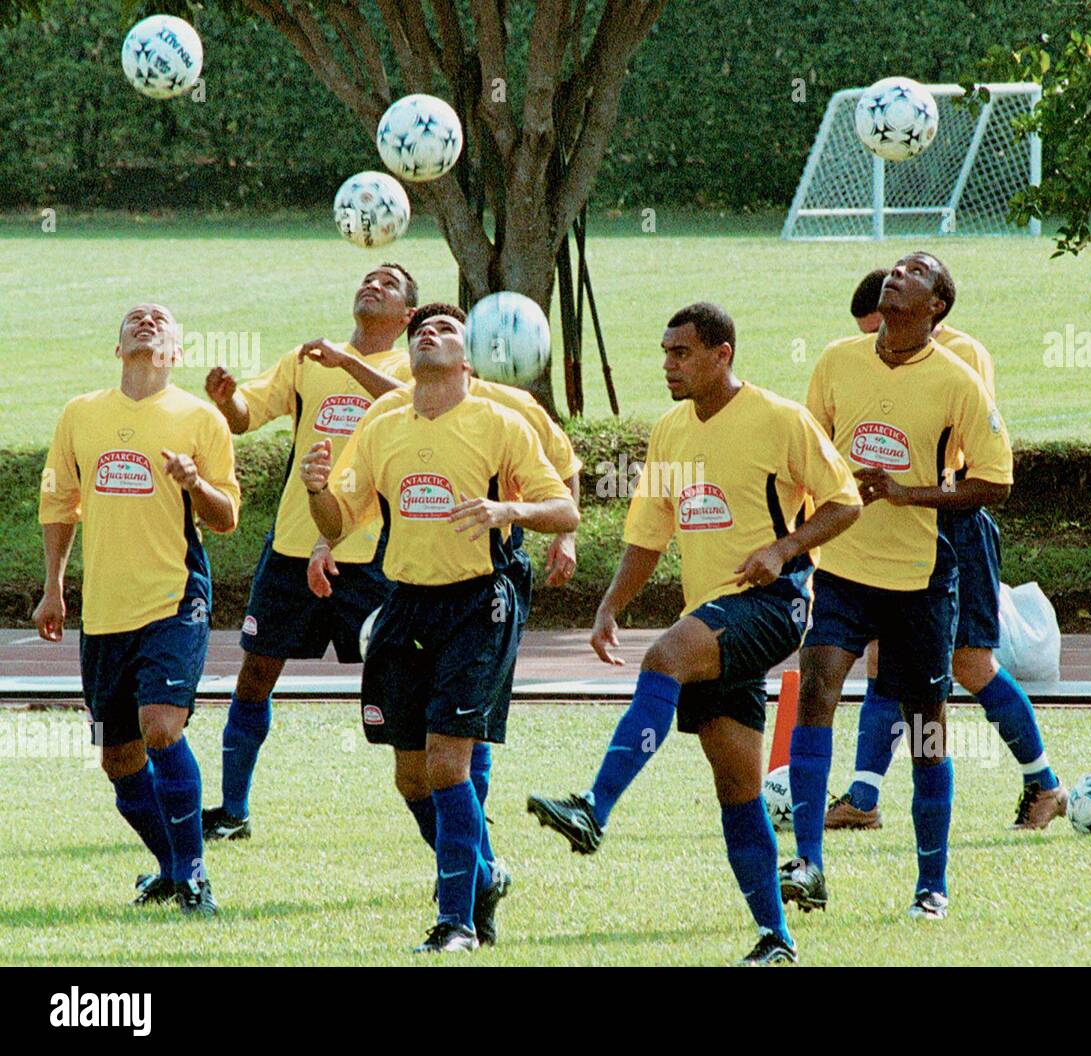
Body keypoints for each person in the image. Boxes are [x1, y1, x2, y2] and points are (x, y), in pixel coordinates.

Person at [526, 302, 861, 964]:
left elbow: (845, 501)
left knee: (665, 656)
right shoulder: (671, 432)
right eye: (665, 353)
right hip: (716, 617)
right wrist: (609, 607)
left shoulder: (778, 419)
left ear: (721, 354)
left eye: (681, 353)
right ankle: (776, 938)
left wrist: (786, 548)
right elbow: (648, 535)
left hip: (774, 601)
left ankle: (594, 807)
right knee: (737, 790)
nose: (668, 365)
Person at [302, 305, 578, 953]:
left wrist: (507, 507)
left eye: (445, 331)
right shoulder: (381, 425)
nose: (428, 334)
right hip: (406, 604)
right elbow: (339, 520)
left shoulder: (499, 422)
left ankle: (455, 922)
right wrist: (318, 490)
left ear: (468, 357)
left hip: (482, 600)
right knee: (411, 777)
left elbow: (563, 506)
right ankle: (483, 874)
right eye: (419, 331)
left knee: (449, 764)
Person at [781, 252, 1013, 922]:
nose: (896, 275)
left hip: (920, 576)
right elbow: (807, 449)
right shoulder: (837, 359)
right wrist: (803, 523)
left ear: (936, 304)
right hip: (843, 569)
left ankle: (931, 885)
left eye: (915, 272)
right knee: (817, 690)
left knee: (925, 729)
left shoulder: (956, 380)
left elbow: (996, 480)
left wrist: (909, 493)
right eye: (895, 269)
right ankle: (808, 864)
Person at [827, 267, 1064, 832]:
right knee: (883, 657)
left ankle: (1044, 783)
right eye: (869, 329)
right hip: (887, 527)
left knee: (970, 663)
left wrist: (910, 490)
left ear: (925, 310)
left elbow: (971, 458)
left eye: (880, 324)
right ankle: (863, 798)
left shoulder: (961, 358)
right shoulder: (864, 357)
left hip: (948, 522)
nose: (876, 337)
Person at [35, 303, 240, 917]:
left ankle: (195, 876)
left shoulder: (200, 420)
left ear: (176, 352)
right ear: (117, 347)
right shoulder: (81, 414)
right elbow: (58, 502)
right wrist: (52, 586)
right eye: (135, 318)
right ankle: (172, 868)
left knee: (160, 728)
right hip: (104, 613)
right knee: (116, 757)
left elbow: (225, 516)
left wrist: (194, 483)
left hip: (174, 599)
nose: (147, 320)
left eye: (161, 320)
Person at [200, 264, 417, 841]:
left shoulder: (411, 368)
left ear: (408, 316)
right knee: (255, 676)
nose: (373, 285)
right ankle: (233, 811)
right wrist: (226, 403)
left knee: (403, 683)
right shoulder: (306, 361)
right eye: (368, 278)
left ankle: (453, 803)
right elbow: (248, 416)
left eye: (388, 284)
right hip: (293, 548)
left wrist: (349, 363)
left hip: (371, 555)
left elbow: (413, 407)